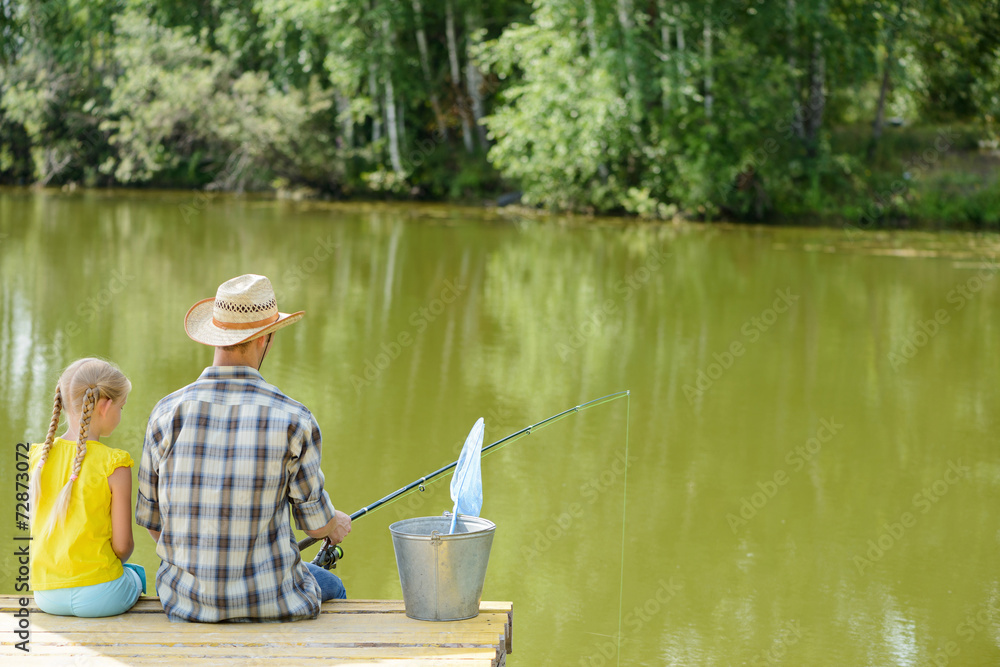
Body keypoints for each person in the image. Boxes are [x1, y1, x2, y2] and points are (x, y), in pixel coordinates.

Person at [136, 274, 351, 622]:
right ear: (264, 339)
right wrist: (334, 523)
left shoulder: (166, 413)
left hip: (185, 603)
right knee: (332, 586)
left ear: (215, 336)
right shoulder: (295, 418)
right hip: (273, 602)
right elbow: (315, 525)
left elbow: (152, 523)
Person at [28, 358, 146, 617]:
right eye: (121, 407)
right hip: (101, 596)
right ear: (105, 406)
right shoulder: (115, 464)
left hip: (46, 595)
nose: (121, 415)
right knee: (136, 574)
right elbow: (122, 546)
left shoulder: (38, 458)